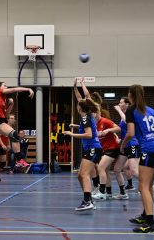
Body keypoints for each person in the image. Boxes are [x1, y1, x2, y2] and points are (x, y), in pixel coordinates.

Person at [120, 84, 154, 233]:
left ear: (131, 95)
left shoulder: (131, 110)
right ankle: (145, 215)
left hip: (149, 151)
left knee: (143, 187)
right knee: (148, 185)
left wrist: (123, 145)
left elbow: (130, 133)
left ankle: (150, 224)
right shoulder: (151, 110)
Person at [64, 81, 102, 212]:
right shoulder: (87, 115)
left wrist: (72, 134)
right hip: (91, 148)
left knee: (84, 174)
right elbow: (81, 98)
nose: (77, 104)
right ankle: (89, 199)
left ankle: (87, 201)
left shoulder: (86, 118)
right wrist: (75, 87)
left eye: (78, 104)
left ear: (80, 108)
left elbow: (89, 135)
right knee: (80, 175)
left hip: (93, 147)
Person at [114, 97, 141, 191]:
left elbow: (127, 121)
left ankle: (148, 185)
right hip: (125, 145)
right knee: (118, 168)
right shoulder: (123, 116)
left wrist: (118, 110)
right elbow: (125, 130)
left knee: (133, 170)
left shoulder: (130, 114)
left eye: (121, 103)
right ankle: (123, 192)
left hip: (133, 144)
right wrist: (120, 140)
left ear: (127, 104)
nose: (119, 104)